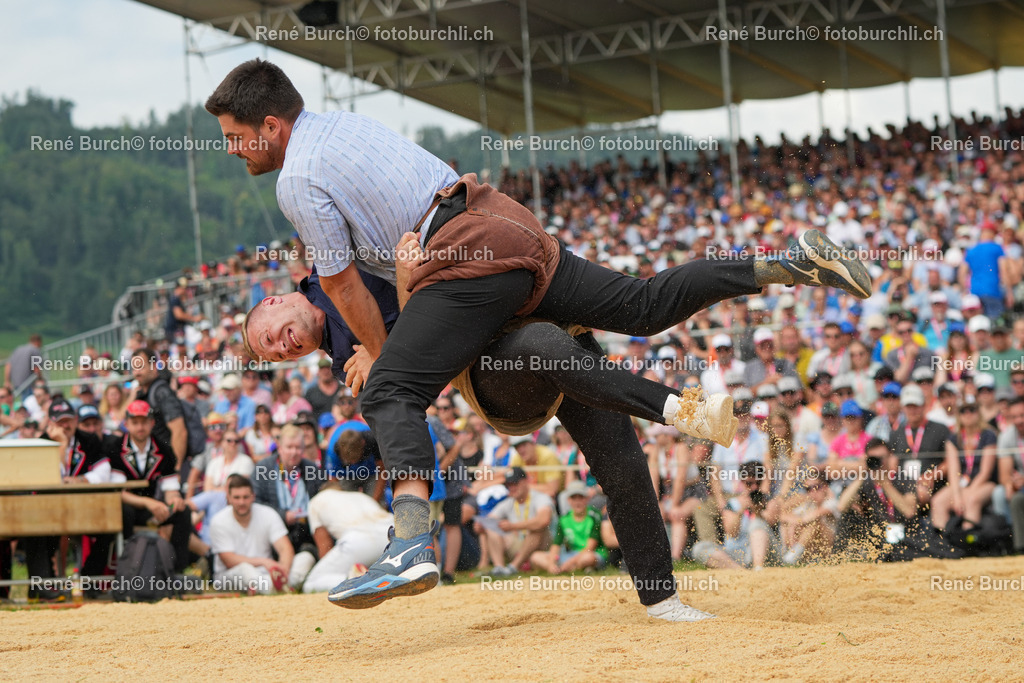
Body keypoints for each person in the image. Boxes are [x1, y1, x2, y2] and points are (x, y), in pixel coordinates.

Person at [208, 58, 871, 610]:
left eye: (236, 136)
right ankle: (785, 265)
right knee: (639, 312)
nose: (233, 151)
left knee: (388, 390)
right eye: (272, 353)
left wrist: (384, 353)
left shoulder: (297, 179)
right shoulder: (344, 124)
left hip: (463, 264)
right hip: (505, 224)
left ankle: (410, 541)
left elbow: (344, 285)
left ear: (271, 125)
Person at [105, 400, 192, 572]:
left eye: (144, 422)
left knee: (183, 512)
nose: (140, 427)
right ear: (126, 424)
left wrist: (174, 501)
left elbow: (170, 487)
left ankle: (176, 571)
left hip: (152, 508)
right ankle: (130, 571)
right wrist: (148, 503)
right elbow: (118, 492)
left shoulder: (164, 449)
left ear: (152, 423)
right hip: (127, 506)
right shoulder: (115, 448)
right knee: (125, 511)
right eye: (135, 422)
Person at [292, 482, 396, 593]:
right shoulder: (360, 496)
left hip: (358, 539)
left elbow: (325, 546)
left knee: (311, 583)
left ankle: (354, 578)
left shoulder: (316, 501)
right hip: (391, 535)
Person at [210, 474, 295, 594]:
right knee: (245, 570)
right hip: (229, 575)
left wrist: (283, 570)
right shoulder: (218, 521)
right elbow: (229, 560)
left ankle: (277, 584)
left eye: (246, 497)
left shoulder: (268, 514)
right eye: (237, 497)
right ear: (228, 498)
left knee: (304, 558)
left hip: (266, 572)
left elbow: (285, 548)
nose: (241, 502)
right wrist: (264, 562)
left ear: (253, 497)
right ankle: (278, 588)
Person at [252, 423, 322, 555]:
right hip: (273, 534)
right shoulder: (263, 468)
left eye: (298, 448)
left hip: (306, 531)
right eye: (289, 447)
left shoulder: (312, 469)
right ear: (280, 448)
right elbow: (255, 502)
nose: (294, 452)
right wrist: (283, 515)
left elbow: (321, 498)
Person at [529, 480, 608, 573]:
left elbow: (590, 547)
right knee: (535, 556)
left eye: (581, 497)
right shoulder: (564, 519)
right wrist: (551, 563)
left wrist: (569, 562)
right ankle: (562, 568)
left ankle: (565, 568)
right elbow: (556, 545)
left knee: (588, 558)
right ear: (568, 500)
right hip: (572, 554)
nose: (577, 502)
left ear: (587, 499)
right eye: (574, 498)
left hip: (592, 553)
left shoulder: (594, 516)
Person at [4, 334, 43, 400]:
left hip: (16, 382)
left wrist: (7, 381)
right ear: (38, 342)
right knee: (28, 404)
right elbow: (36, 368)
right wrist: (40, 379)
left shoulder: (18, 349)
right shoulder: (35, 350)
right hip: (28, 383)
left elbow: (8, 365)